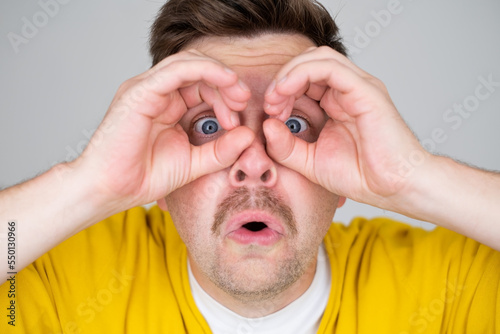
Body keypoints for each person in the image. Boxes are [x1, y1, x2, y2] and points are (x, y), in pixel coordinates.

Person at [1, 0, 499, 333]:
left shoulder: (452, 283)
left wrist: (412, 178)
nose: (255, 165)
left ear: (345, 174)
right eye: (210, 127)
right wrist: (92, 185)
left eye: (296, 126)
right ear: (157, 177)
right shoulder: (47, 277)